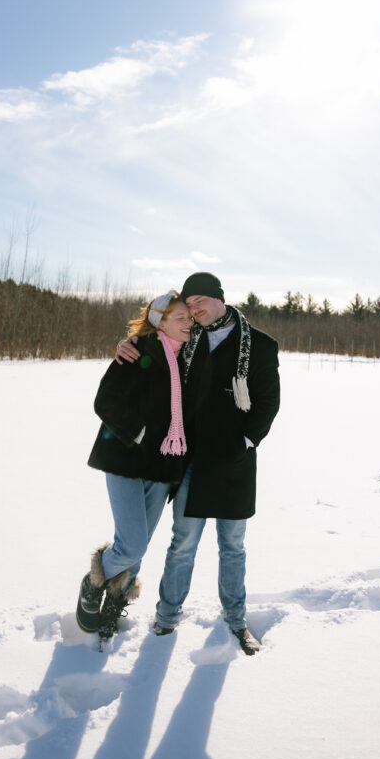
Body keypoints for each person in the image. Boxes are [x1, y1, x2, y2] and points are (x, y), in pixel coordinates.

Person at [116, 272, 280, 655]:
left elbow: (268, 403)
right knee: (183, 543)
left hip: (236, 463)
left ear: (220, 298)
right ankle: (167, 617)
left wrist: (245, 441)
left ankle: (236, 620)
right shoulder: (187, 341)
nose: (194, 309)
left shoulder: (258, 344)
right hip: (191, 462)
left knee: (233, 545)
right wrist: (129, 344)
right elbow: (152, 352)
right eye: (188, 305)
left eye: (200, 300)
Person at [76, 290, 193, 644]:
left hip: (162, 469)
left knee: (138, 551)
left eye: (190, 317)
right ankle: (92, 582)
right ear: (160, 321)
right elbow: (105, 401)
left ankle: (114, 603)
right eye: (180, 318)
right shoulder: (138, 350)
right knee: (131, 546)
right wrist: (139, 433)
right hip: (125, 460)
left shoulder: (191, 360)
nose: (188, 323)